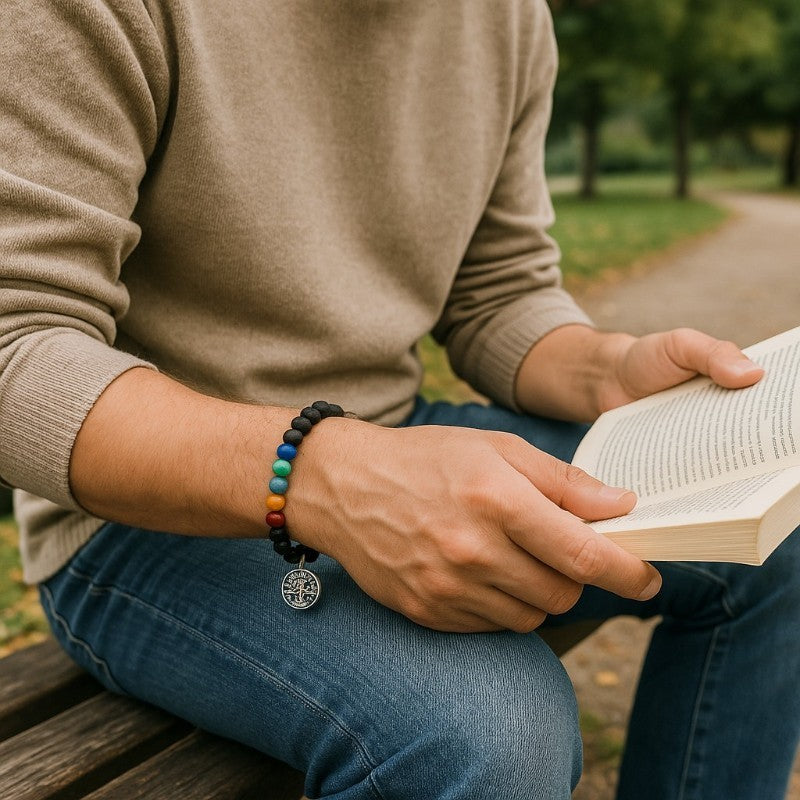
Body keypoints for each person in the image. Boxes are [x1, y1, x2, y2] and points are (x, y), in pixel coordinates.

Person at [2, 1, 799, 798]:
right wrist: (329, 475)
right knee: (496, 736)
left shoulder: (510, 17)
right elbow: (18, 344)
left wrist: (606, 369)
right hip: (142, 514)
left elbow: (498, 289)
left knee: (779, 543)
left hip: (398, 434)